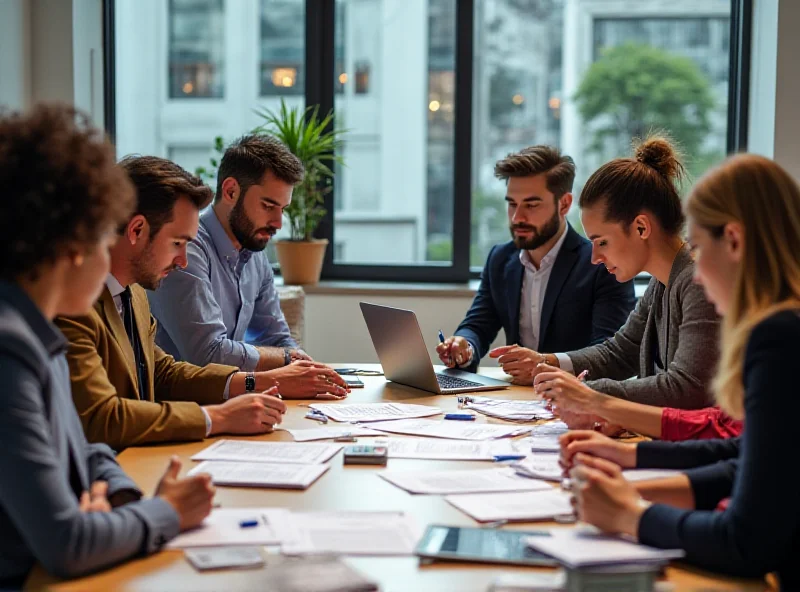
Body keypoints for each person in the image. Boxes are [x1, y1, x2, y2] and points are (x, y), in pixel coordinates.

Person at [561, 154, 800, 587]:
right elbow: (745, 456)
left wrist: (631, 515)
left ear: (734, 241)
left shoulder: (780, 337)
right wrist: (630, 461)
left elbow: (745, 541)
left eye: (700, 248)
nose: (698, 272)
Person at [0, 104, 214, 585]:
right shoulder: (9, 352)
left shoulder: (36, 331)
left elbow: (88, 448)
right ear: (73, 244)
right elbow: (67, 544)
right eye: (104, 237)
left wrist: (119, 498)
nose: (110, 254)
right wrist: (166, 512)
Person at [56, 156, 347, 450]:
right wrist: (216, 418)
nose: (183, 261)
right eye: (177, 243)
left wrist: (259, 382)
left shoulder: (134, 293)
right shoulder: (73, 304)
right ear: (136, 230)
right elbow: (101, 419)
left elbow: (163, 373)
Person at [531, 137, 720, 411]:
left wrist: (585, 393)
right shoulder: (662, 282)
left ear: (641, 228)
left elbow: (687, 389)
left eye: (602, 242)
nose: (594, 258)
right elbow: (620, 353)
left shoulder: (698, 281)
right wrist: (549, 363)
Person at [437, 146, 635, 383]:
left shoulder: (602, 265)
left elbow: (609, 356)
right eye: (512, 204)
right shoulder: (500, 259)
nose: (517, 217)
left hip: (575, 399)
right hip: (515, 400)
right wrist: (464, 347)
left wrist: (545, 363)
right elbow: (478, 326)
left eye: (531, 205)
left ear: (564, 204)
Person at [149, 134, 311, 371]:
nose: (278, 223)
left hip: (235, 395)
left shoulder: (255, 254)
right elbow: (207, 354)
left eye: (282, 209)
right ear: (231, 191)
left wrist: (304, 365)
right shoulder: (185, 250)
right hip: (185, 402)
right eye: (268, 206)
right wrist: (288, 358)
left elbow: (277, 339)